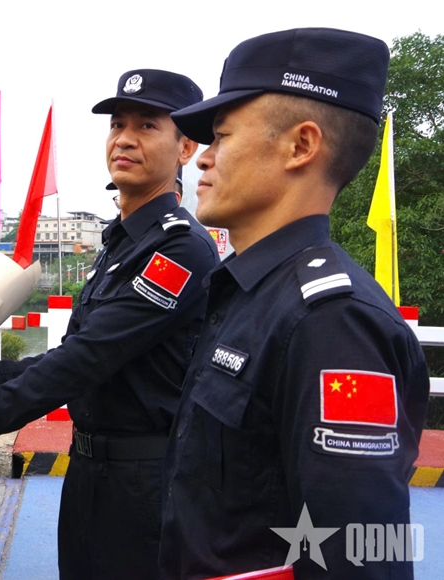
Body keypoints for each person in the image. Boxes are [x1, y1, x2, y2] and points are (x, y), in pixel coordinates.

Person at [0, 69, 219, 579]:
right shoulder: (122, 242)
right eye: (117, 125)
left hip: (147, 480)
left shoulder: (177, 247)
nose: (125, 139)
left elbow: (87, 361)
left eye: (147, 126)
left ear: (186, 148)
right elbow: (77, 349)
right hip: (92, 469)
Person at [159, 28, 429, 579]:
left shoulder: (334, 324)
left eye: (222, 136)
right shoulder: (252, 292)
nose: (203, 160)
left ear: (301, 146)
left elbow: (361, 556)